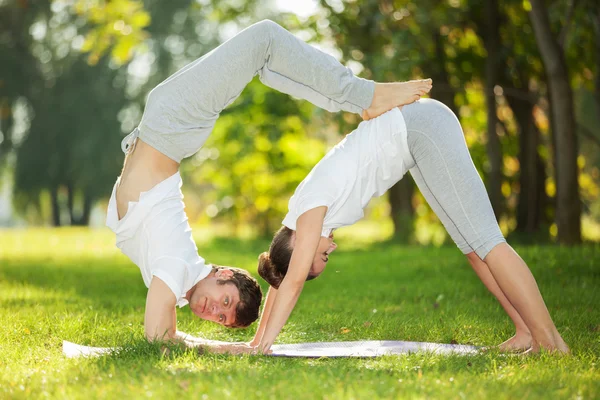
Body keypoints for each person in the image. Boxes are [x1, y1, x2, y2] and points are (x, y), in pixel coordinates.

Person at [105, 19, 432, 351]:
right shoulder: (178, 269)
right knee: (265, 39)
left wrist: (246, 346)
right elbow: (158, 340)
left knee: (266, 58)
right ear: (223, 274)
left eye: (221, 318)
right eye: (227, 302)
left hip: (162, 126)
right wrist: (243, 348)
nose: (215, 310)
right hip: (171, 124)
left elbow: (168, 337)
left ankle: (364, 99)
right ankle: (367, 96)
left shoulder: (176, 282)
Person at [252, 99, 570, 355]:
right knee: (473, 249)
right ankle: (525, 332)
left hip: (421, 129)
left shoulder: (309, 212)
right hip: (414, 141)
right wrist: (256, 342)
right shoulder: (303, 217)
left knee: (487, 240)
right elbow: (282, 279)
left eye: (323, 257)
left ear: (301, 246)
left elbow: (292, 281)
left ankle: (551, 343)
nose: (331, 249)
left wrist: (263, 349)